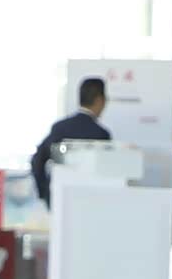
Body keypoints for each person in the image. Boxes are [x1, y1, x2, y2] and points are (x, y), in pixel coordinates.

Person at [29, 76, 112, 206]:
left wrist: (44, 193)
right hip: (89, 201)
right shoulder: (101, 134)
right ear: (99, 100)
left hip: (59, 198)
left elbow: (37, 160)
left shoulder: (60, 128)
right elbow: (106, 173)